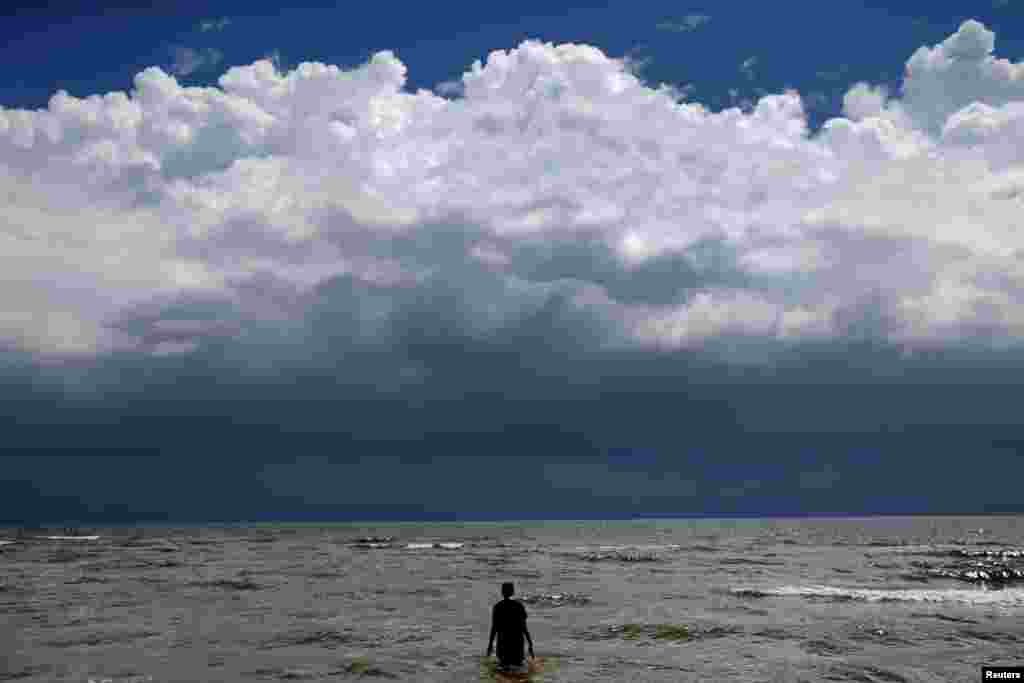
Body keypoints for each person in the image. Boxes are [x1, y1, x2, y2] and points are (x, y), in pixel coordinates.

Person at [486, 582, 534, 670]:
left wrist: (490, 645)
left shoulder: (497, 607)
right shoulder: (519, 606)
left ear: (502, 592)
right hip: (517, 642)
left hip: (503, 643)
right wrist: (530, 643)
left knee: (503, 668)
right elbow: (524, 627)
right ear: (513, 592)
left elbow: (494, 628)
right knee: (518, 667)